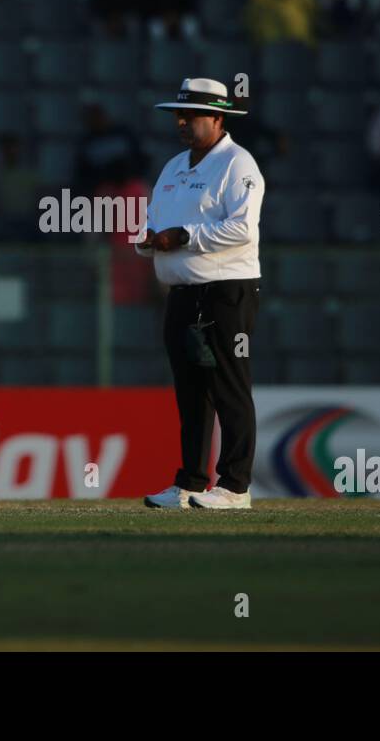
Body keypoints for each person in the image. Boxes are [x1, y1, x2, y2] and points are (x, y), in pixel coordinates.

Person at [136, 78, 264, 511]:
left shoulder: (238, 164)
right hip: (182, 293)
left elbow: (243, 228)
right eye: (179, 114)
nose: (182, 121)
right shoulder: (174, 167)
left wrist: (185, 236)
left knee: (228, 385)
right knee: (191, 391)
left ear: (217, 118)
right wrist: (150, 239)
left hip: (226, 291)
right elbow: (155, 220)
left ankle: (236, 486)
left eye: (190, 115)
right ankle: (190, 482)